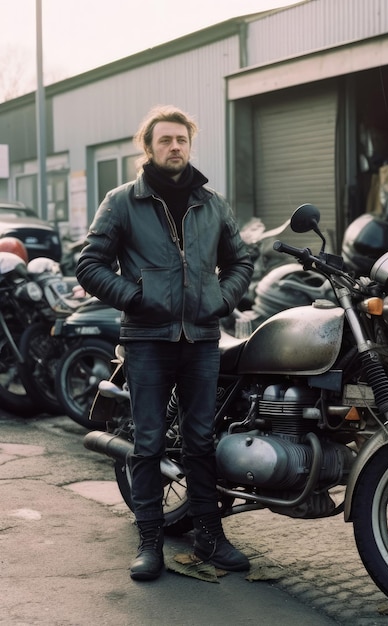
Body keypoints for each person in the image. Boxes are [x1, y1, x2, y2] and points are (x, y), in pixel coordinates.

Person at [76, 105, 254, 581]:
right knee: (150, 443)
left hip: (201, 338)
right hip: (147, 340)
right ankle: (150, 541)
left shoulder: (212, 204)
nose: (175, 147)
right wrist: (136, 297)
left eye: (182, 140)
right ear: (149, 148)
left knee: (200, 442)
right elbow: (89, 265)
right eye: (165, 140)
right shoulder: (122, 202)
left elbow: (242, 261)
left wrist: (220, 299)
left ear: (190, 145)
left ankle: (210, 536)